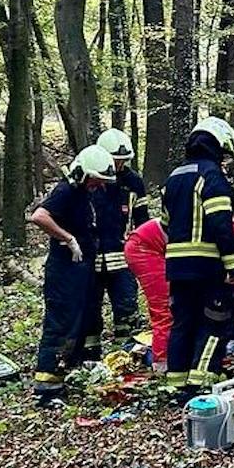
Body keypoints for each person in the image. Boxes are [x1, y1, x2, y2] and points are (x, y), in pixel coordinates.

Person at [161, 117, 234, 401]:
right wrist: (233, 265)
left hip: (177, 267)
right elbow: (221, 224)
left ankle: (176, 385)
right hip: (207, 266)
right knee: (215, 323)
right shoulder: (212, 176)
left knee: (182, 322)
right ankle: (202, 382)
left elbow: (165, 223)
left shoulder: (173, 177)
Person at [28, 145, 116, 407]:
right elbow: (39, 216)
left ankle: (67, 374)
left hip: (81, 269)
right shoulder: (65, 190)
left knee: (81, 319)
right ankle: (46, 388)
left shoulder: (84, 193)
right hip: (64, 269)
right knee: (61, 324)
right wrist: (68, 238)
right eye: (95, 180)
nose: (98, 186)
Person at [94, 128, 150, 348]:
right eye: (114, 161)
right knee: (90, 309)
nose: (118, 166)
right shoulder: (93, 179)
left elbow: (143, 221)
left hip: (123, 257)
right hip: (93, 258)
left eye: (122, 161)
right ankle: (90, 355)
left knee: (127, 307)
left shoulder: (133, 182)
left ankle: (125, 351)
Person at [123, 216, 170, 369]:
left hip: (156, 246)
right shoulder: (233, 235)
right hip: (144, 248)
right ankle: (162, 366)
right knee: (165, 307)